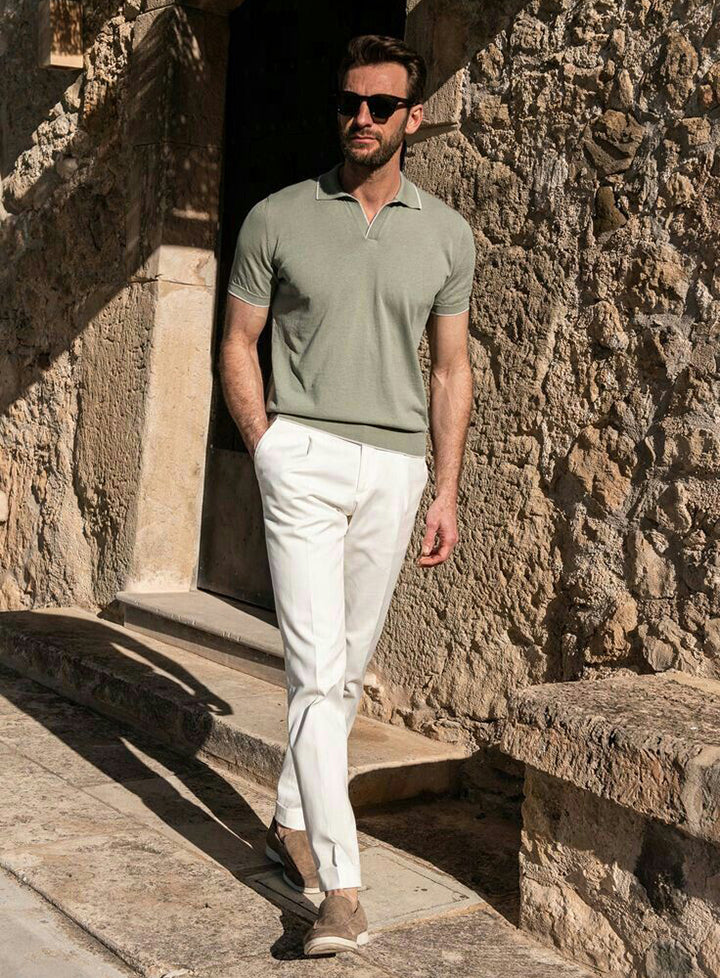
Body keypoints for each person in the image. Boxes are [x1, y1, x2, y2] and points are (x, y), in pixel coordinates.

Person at [219, 33, 476, 957]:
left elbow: (451, 369)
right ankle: (342, 889)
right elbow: (237, 341)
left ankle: (290, 816)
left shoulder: (446, 235)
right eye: (348, 103)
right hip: (304, 460)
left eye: (380, 105)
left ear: (413, 117)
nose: (360, 119)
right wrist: (267, 448)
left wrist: (445, 489)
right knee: (315, 673)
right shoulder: (277, 217)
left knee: (347, 670)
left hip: (397, 470)